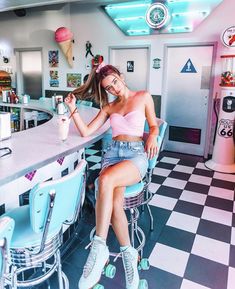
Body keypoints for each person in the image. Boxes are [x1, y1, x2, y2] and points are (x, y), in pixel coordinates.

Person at [64, 63, 159, 289]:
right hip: (112, 156)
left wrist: (153, 135)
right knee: (114, 201)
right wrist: (72, 108)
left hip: (135, 156)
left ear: (121, 77)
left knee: (104, 180)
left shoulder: (143, 96)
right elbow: (86, 131)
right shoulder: (109, 107)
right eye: (108, 87)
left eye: (114, 82)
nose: (113, 89)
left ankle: (99, 248)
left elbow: (154, 125)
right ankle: (129, 258)